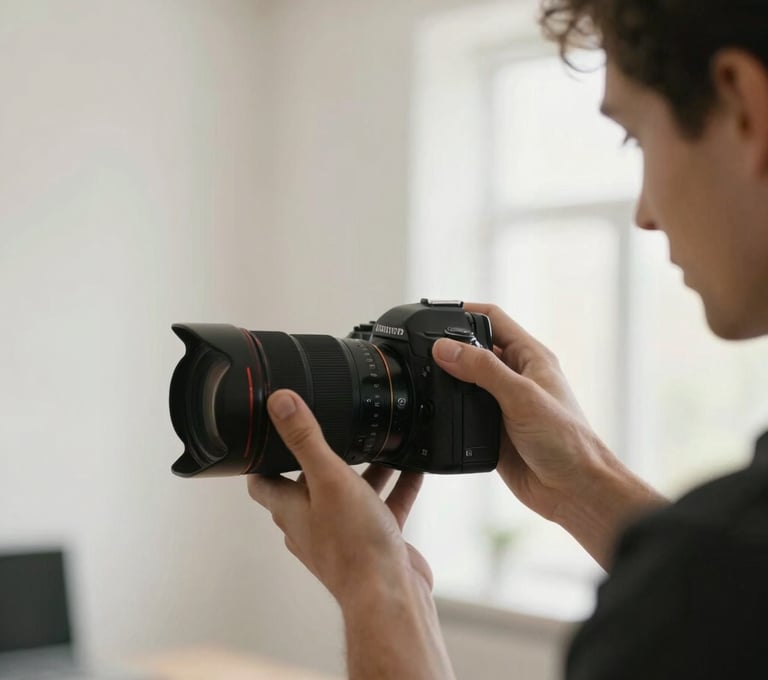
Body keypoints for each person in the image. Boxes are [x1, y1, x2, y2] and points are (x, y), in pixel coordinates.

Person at [247, 1, 768, 677]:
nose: (644, 214)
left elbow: (716, 587)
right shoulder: (722, 568)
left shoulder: (712, 571)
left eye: (636, 137)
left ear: (743, 109)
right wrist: (581, 478)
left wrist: (378, 585)